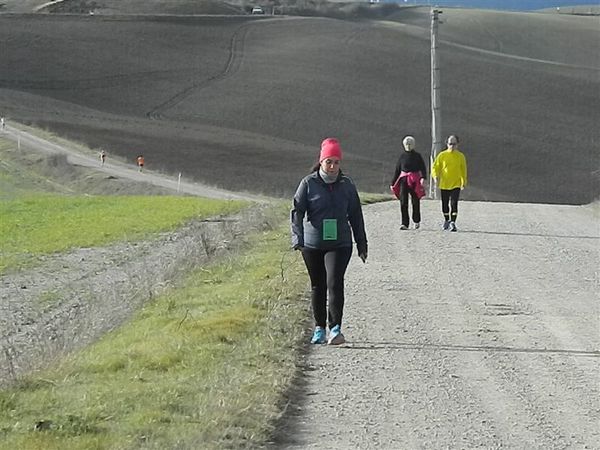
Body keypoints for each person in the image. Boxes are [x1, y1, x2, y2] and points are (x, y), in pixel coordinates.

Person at [291, 138, 368, 345]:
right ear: (321, 162)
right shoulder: (308, 184)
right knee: (318, 285)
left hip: (340, 243)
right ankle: (319, 329)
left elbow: (356, 215)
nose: (333, 166)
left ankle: (335, 328)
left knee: (335, 282)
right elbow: (297, 211)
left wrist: (362, 244)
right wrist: (297, 238)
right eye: (329, 162)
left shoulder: (347, 185)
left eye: (336, 162)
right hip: (313, 244)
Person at [431, 134, 468, 232]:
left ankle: (453, 222)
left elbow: (463, 170)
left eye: (454, 144)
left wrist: (463, 181)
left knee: (454, 203)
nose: (452, 146)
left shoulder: (460, 156)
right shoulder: (442, 155)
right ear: (447, 144)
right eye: (450, 144)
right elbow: (435, 167)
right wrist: (435, 177)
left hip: (456, 184)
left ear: (457, 145)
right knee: (445, 204)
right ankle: (446, 220)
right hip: (444, 184)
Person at [390, 135, 427, 230]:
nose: (408, 145)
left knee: (415, 201)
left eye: (410, 144)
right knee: (403, 202)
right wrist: (393, 183)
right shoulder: (402, 156)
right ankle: (404, 223)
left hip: (415, 180)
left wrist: (423, 178)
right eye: (406, 144)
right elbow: (397, 170)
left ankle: (416, 220)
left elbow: (423, 168)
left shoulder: (417, 156)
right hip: (403, 180)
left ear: (413, 145)